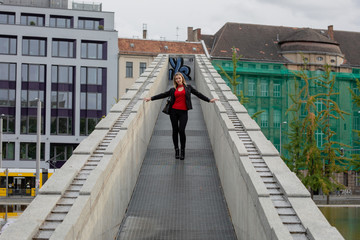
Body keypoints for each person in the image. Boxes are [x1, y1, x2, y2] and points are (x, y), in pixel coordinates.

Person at [144, 72, 218, 160]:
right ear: (175, 80)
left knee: (181, 130)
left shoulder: (188, 88)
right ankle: (176, 150)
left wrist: (209, 100)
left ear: (182, 78)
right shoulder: (173, 90)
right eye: (176, 79)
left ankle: (183, 150)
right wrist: (151, 98)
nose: (178, 80)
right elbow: (163, 95)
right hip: (173, 112)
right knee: (175, 130)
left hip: (183, 112)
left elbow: (198, 94)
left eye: (179, 78)